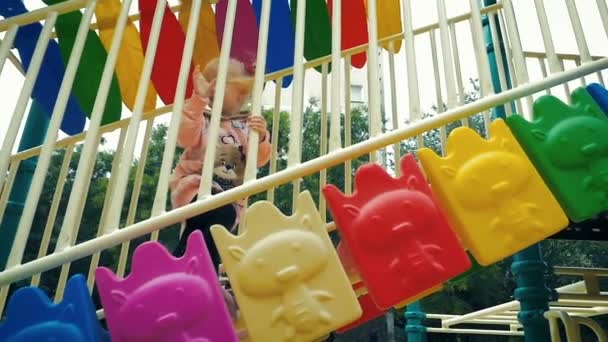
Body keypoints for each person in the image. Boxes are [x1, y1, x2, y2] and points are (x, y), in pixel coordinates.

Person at [169, 58, 271, 322]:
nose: (241, 96)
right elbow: (185, 137)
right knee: (209, 221)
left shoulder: (245, 123)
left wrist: (261, 137)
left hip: (228, 195)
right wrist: (198, 99)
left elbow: (259, 159)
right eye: (233, 89)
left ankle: (191, 275)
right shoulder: (202, 117)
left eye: (241, 91)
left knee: (211, 234)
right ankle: (195, 276)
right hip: (196, 188)